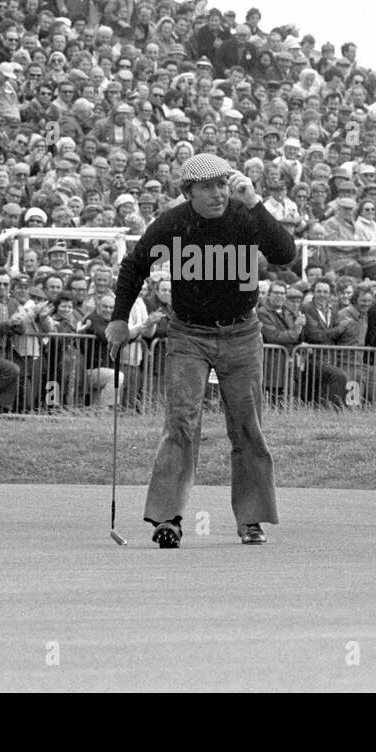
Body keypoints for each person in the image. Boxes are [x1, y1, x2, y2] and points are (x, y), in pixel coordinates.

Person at [106, 153, 296, 547]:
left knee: (247, 427)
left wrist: (255, 201)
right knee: (180, 423)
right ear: (188, 192)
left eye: (223, 185)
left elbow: (284, 255)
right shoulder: (174, 223)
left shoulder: (245, 215)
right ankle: (167, 519)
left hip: (242, 333)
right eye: (208, 187)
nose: (218, 194)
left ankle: (252, 519)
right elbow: (135, 265)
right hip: (188, 334)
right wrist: (120, 319)